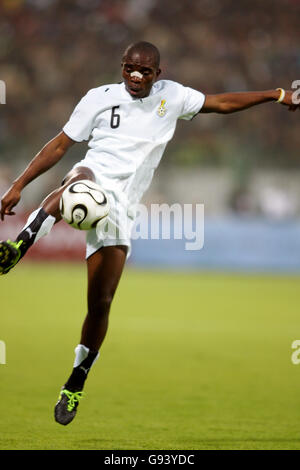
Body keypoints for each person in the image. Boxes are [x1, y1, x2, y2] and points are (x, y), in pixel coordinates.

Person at [0, 41, 298, 426]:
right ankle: (17, 247)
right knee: (78, 181)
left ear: (159, 73)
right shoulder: (97, 98)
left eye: (145, 71)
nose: (136, 76)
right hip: (93, 176)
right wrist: (19, 184)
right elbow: (61, 145)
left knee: (101, 304)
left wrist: (276, 95)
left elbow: (221, 103)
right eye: (129, 69)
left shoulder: (172, 97)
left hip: (123, 209)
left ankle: (76, 380)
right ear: (121, 67)